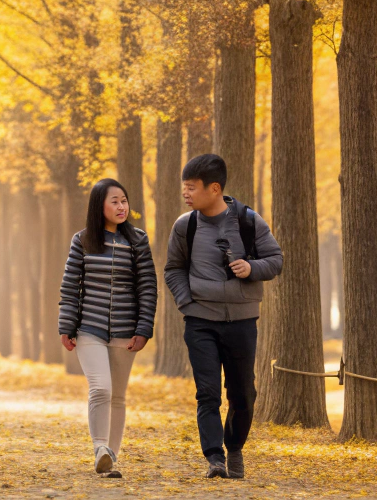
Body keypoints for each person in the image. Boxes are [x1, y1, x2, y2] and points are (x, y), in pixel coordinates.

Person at [163, 153, 282, 480]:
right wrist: (187, 303)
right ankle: (214, 457)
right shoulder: (184, 226)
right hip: (200, 322)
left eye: (191, 188)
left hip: (242, 322)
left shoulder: (248, 221)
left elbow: (275, 260)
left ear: (214, 188)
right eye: (183, 187)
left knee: (243, 392)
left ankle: (235, 447)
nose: (185, 194)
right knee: (208, 392)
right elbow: (173, 269)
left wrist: (251, 267)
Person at [59, 178, 157, 478]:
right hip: (90, 327)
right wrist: (67, 325)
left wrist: (144, 328)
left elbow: (147, 287)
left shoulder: (137, 240)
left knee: (118, 395)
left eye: (124, 200)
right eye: (114, 201)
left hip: (126, 331)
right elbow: (70, 286)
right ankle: (100, 447)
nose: (121, 206)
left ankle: (110, 458)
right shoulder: (83, 240)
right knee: (101, 387)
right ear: (99, 205)